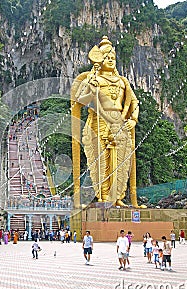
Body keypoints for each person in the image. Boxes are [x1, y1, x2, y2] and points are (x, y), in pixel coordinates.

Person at [72, 36, 140, 207]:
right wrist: (91, 87)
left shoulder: (123, 81)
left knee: (121, 163)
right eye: (106, 57)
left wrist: (133, 119)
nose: (110, 60)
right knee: (100, 161)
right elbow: (81, 101)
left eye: (113, 58)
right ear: (99, 59)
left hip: (120, 123)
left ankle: (118, 197)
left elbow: (134, 102)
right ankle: (103, 196)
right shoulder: (93, 78)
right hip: (99, 121)